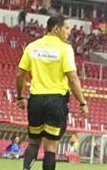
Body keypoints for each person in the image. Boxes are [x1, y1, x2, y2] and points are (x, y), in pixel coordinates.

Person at [17, 16, 89, 170]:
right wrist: (82, 102)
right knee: (51, 147)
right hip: (56, 101)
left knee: (33, 143)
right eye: (66, 28)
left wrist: (20, 96)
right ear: (56, 28)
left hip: (36, 100)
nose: (69, 32)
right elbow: (73, 78)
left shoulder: (32, 47)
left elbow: (19, 74)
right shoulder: (65, 49)